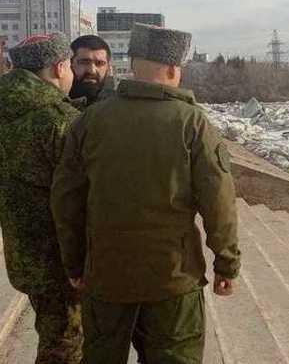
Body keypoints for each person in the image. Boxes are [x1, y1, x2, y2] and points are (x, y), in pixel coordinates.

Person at [51, 23, 241, 364]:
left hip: (106, 276)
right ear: (172, 69)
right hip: (173, 280)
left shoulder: (90, 121)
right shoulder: (192, 123)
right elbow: (219, 204)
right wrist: (226, 264)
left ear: (132, 65)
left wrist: (75, 263)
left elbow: (66, 201)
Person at [0, 34, 82, 363]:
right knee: (64, 344)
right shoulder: (58, 121)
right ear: (59, 66)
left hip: (23, 255)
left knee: (52, 332)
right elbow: (79, 196)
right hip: (60, 261)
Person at [68, 34, 115, 106]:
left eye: (99, 63)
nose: (92, 70)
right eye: (84, 62)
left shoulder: (119, 106)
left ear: (108, 68)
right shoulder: (55, 105)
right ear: (70, 64)